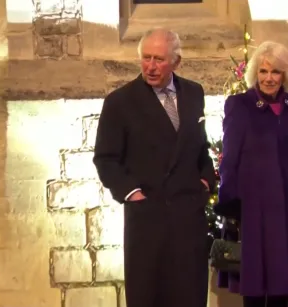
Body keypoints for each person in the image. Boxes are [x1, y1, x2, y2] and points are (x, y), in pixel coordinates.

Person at [93, 28, 215, 307]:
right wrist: (133, 194)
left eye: (158, 59)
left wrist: (206, 180)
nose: (150, 66)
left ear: (176, 61)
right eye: (146, 58)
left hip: (188, 218)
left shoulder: (194, 93)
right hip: (148, 221)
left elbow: (199, 146)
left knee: (189, 295)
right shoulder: (119, 102)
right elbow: (106, 159)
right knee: (150, 296)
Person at [213, 41, 288, 307]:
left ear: (285, 74)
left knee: (282, 283)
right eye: (263, 71)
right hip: (254, 207)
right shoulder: (239, 105)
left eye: (275, 72)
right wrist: (229, 201)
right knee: (254, 284)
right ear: (255, 74)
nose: (269, 78)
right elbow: (230, 157)